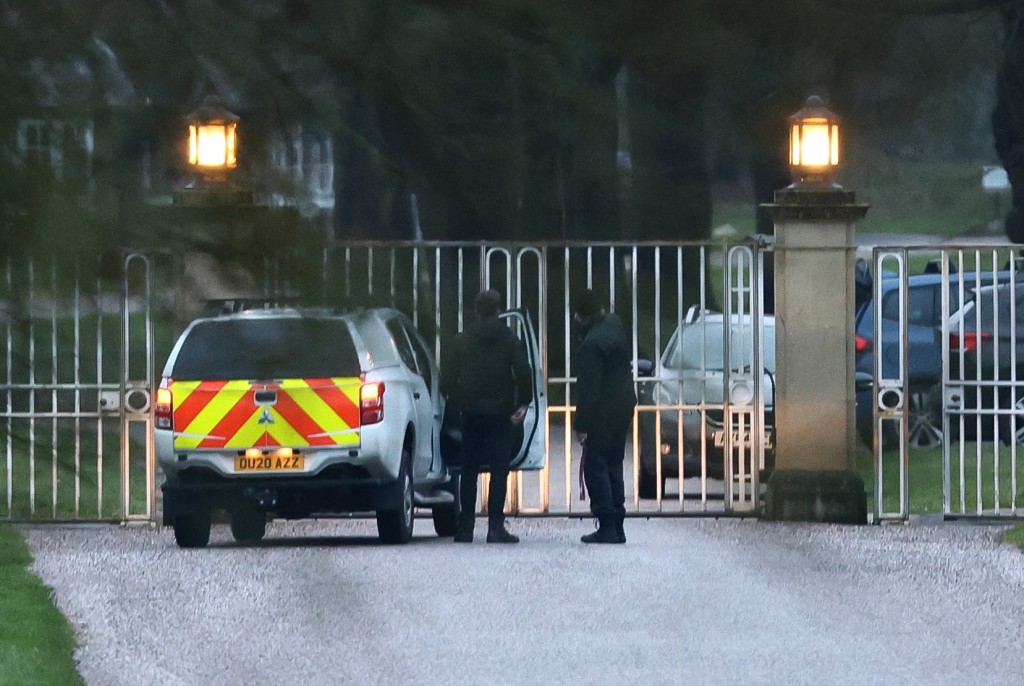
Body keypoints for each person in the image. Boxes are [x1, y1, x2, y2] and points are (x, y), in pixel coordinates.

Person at [442, 289, 532, 544]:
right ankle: (495, 527)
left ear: (475, 311)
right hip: (500, 412)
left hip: (471, 412)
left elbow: (446, 379)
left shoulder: (462, 339)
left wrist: (460, 401)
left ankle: (466, 528)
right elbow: (524, 372)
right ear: (498, 310)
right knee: (499, 469)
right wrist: (523, 402)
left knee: (468, 469)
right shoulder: (508, 338)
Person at [573, 288, 637, 544]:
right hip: (623, 404)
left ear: (580, 316)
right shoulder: (615, 324)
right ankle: (617, 523)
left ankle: (607, 523)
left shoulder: (591, 346)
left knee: (595, 465)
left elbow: (589, 391)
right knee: (613, 462)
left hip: (603, 411)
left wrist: (582, 425)